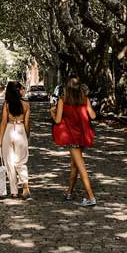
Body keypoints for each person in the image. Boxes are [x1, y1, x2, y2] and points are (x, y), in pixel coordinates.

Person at [50, 76, 97, 207]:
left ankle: (91, 197)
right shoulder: (84, 99)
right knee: (74, 165)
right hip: (83, 135)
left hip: (72, 137)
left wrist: (52, 113)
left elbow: (58, 120)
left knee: (81, 167)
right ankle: (69, 192)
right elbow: (93, 116)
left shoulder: (63, 100)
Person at [0, 81, 32, 199]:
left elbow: (3, 123)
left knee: (9, 163)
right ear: (18, 91)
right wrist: (27, 136)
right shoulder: (26, 105)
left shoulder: (6, 104)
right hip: (21, 131)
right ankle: (25, 184)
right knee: (21, 161)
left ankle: (14, 192)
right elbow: (27, 124)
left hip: (9, 130)